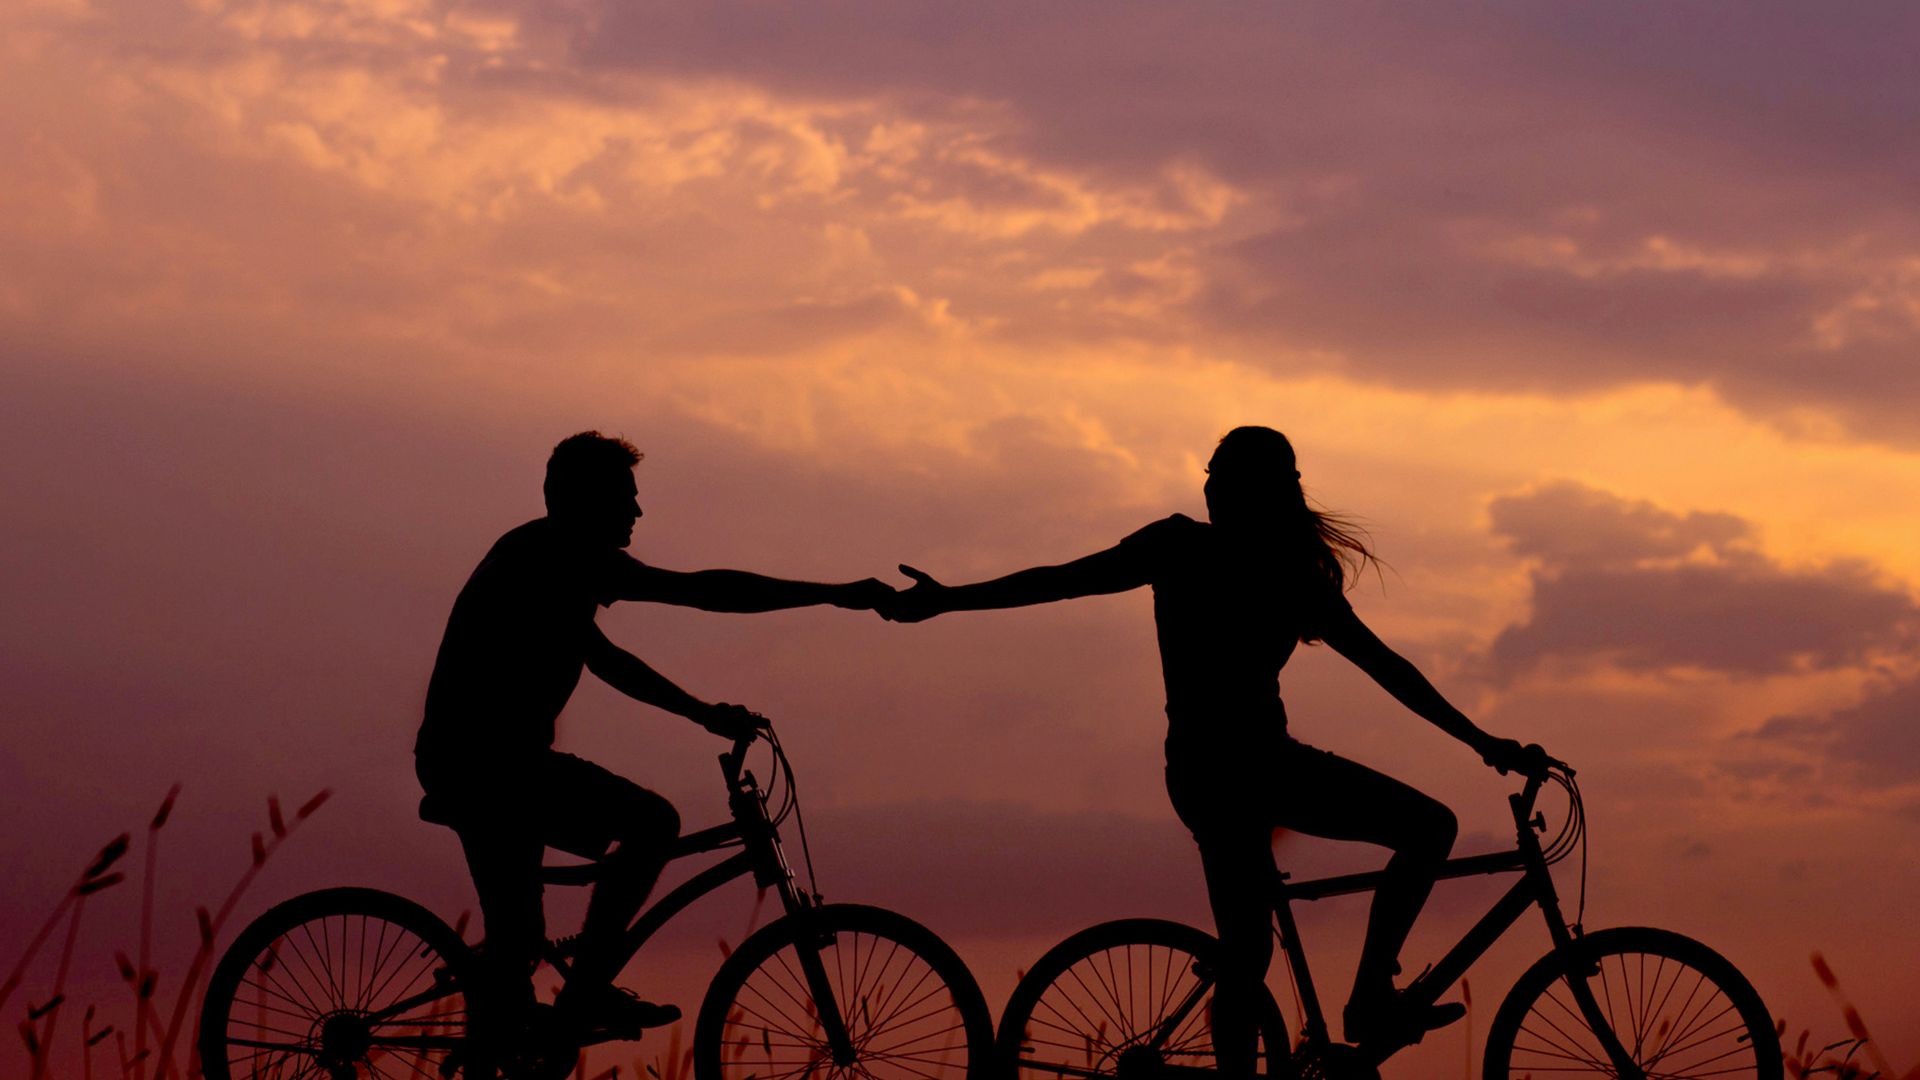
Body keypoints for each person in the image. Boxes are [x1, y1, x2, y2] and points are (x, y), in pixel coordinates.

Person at [876, 425, 1552, 1058]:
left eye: (1222, 479)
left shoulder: (1253, 567)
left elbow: (1388, 670)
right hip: (1247, 771)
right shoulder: (1217, 557)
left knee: (1249, 951)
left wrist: (1482, 740)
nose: (1209, 490)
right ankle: (1372, 996)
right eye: (1210, 477)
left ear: (1258, 493)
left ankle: (1337, 1016)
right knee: (1426, 830)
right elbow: (1058, 582)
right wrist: (951, 599)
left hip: (1217, 773)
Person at [416, 431, 892, 1036]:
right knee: (651, 825)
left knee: (519, 950)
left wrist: (705, 711)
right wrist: (834, 596)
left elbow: (628, 644)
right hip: (485, 768)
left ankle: (523, 1023)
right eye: (625, 497)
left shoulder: (552, 560)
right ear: (585, 500)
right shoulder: (552, 557)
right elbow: (693, 599)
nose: (637, 512)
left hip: (497, 765)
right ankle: (582, 992)